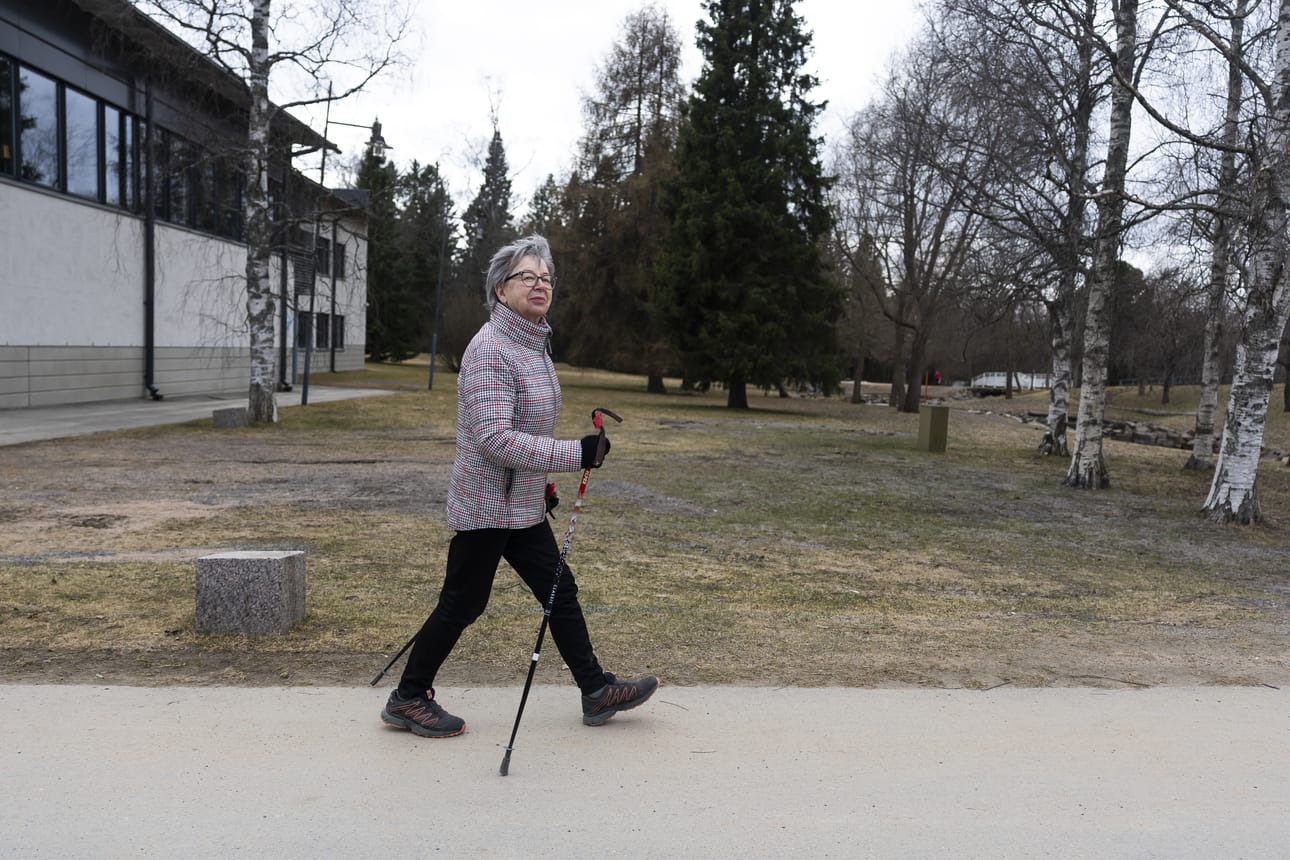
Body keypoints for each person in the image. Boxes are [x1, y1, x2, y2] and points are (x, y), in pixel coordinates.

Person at [380, 234, 658, 738]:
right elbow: (494, 440)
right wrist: (574, 454)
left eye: (546, 278)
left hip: (522, 504)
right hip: (487, 503)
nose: (539, 285)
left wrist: (543, 481)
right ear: (500, 290)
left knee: (559, 590)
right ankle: (407, 697)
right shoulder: (491, 350)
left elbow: (526, 433)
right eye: (526, 277)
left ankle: (596, 691)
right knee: (463, 603)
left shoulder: (532, 344)